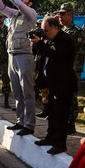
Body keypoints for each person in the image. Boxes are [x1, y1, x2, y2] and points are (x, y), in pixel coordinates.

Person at [0, 0, 37, 136]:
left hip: (24, 56)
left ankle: (29, 124)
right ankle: (20, 121)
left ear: (30, 3)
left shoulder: (30, 14)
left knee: (27, 92)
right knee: (17, 92)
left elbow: (17, 3)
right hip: (12, 55)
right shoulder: (13, 15)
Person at [31, 16, 77, 154]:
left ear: (56, 28)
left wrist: (41, 43)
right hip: (50, 83)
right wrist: (36, 43)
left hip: (63, 84)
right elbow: (38, 53)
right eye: (43, 30)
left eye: (47, 30)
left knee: (61, 115)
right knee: (51, 113)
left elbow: (56, 55)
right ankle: (50, 137)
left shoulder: (65, 40)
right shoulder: (48, 39)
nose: (45, 33)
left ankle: (60, 144)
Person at [57, 3, 85, 134]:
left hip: (71, 68)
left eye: (63, 14)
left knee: (71, 96)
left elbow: (80, 53)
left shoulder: (76, 31)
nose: (60, 16)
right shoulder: (61, 30)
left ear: (70, 15)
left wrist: (77, 70)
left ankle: (71, 122)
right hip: (61, 68)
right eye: (60, 14)